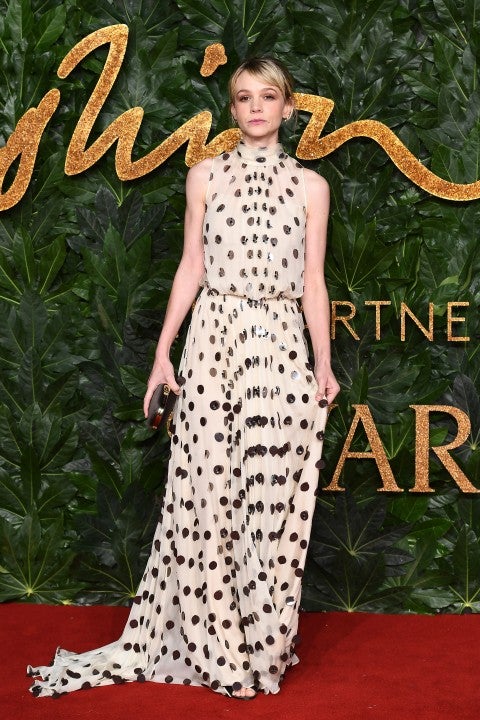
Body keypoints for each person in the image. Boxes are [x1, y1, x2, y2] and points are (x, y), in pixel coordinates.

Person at [28, 56, 340, 701]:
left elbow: (314, 281)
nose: (256, 108)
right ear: (233, 108)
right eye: (244, 97)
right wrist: (162, 353)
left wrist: (324, 362)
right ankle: (215, 643)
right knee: (206, 488)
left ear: (288, 107)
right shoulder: (205, 175)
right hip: (212, 341)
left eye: (269, 96)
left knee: (272, 495)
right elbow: (191, 265)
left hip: (279, 344)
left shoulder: (312, 187)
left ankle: (261, 645)